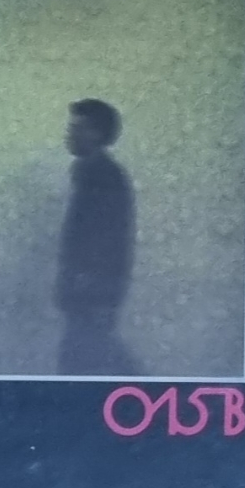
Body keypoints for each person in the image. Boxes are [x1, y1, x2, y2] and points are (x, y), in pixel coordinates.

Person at [54, 98, 137, 375]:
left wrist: (84, 281)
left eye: (77, 128)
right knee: (90, 357)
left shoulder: (103, 176)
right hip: (91, 290)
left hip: (91, 292)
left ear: (97, 134)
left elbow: (105, 238)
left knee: (84, 361)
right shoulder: (95, 173)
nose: (69, 135)